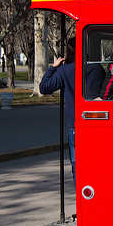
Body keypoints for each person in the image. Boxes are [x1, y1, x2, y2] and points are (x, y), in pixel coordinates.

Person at [39, 37, 78, 182]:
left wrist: (53, 67)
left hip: (75, 124)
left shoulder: (64, 70)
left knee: (77, 166)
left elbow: (44, 88)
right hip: (96, 124)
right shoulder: (95, 67)